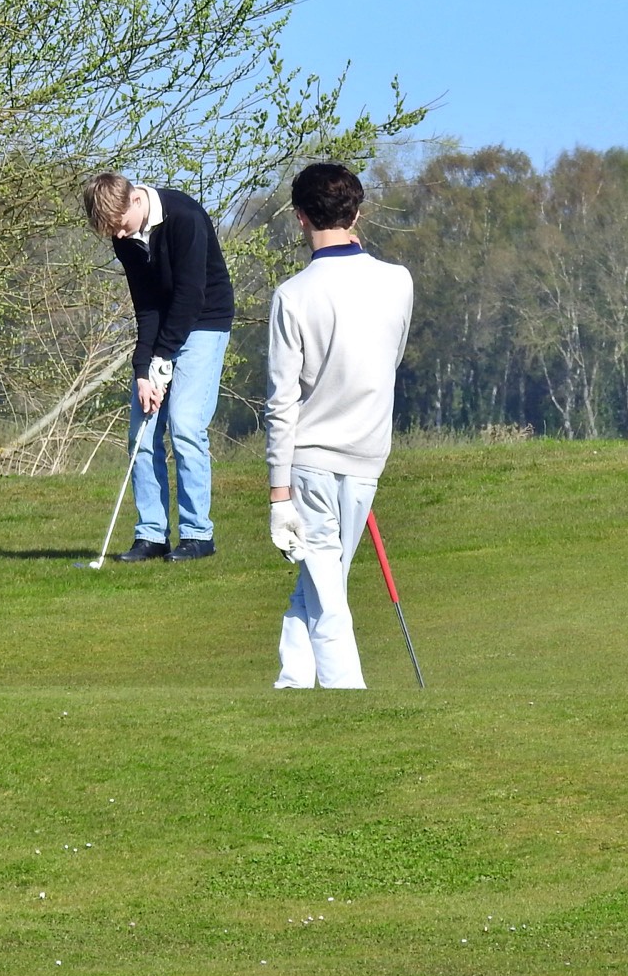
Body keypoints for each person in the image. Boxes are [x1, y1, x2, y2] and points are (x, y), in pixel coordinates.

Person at [264, 163, 413, 688]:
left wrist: (278, 495)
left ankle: (342, 694)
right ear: (357, 213)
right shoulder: (398, 281)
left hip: (313, 459)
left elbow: (281, 402)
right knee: (323, 583)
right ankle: (296, 684)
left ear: (300, 217)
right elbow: (389, 360)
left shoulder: (293, 294)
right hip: (363, 452)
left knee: (325, 589)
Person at [82, 172, 236, 562]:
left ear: (135, 199)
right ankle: (151, 535)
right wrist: (142, 371)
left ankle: (198, 535)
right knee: (142, 430)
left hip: (205, 322)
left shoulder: (184, 217)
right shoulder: (124, 238)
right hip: (164, 331)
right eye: (111, 231)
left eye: (120, 225)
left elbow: (190, 295)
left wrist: (162, 357)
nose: (119, 235)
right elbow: (147, 306)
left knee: (185, 424)